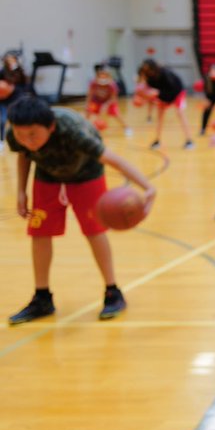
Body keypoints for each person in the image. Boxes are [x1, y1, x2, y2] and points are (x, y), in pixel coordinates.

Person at [6, 96, 155, 324]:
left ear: (51, 127)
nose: (27, 141)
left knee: (94, 231)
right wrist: (21, 191)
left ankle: (113, 291)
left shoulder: (73, 132)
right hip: (47, 175)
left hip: (86, 173)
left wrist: (148, 187)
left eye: (33, 135)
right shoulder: (17, 135)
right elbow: (24, 154)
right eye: (20, 136)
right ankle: (42, 298)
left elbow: (113, 159)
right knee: (39, 233)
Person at [137, 59, 194, 150]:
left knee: (180, 113)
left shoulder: (164, 74)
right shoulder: (147, 77)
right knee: (160, 117)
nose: (146, 71)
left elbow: (171, 91)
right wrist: (144, 98)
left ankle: (189, 140)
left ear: (153, 68)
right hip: (163, 94)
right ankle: (157, 140)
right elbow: (150, 91)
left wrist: (158, 93)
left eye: (147, 69)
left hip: (177, 92)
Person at [85, 65, 130, 137]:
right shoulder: (93, 83)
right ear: (97, 76)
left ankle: (127, 128)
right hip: (96, 101)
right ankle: (85, 129)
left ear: (108, 76)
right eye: (101, 76)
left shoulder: (112, 85)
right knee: (88, 112)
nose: (102, 78)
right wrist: (87, 104)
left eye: (104, 76)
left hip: (109, 102)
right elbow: (90, 94)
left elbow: (114, 99)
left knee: (116, 114)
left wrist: (106, 105)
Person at [1, 52, 31, 144]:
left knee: (20, 120)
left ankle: (20, 139)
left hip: (17, 99)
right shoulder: (2, 72)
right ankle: (1, 140)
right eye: (9, 60)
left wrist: (13, 89)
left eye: (13, 59)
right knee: (2, 120)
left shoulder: (20, 71)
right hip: (4, 100)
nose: (12, 61)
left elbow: (26, 86)